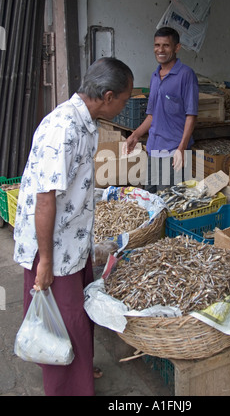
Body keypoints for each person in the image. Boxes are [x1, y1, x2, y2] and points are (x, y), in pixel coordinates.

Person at [13, 57, 134, 396]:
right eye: (124, 99)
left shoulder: (87, 122)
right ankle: (67, 387)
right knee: (64, 316)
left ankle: (78, 364)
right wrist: (46, 263)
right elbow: (45, 200)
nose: (125, 106)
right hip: (52, 245)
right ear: (108, 96)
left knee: (77, 312)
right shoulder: (63, 128)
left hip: (72, 240)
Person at [125, 27, 199, 192]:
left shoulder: (186, 75)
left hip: (174, 151)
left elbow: (191, 115)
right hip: (154, 148)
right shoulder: (155, 76)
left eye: (166, 45)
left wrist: (181, 148)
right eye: (157, 45)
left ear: (176, 48)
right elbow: (152, 115)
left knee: (169, 201)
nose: (160, 50)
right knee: (151, 197)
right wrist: (135, 135)